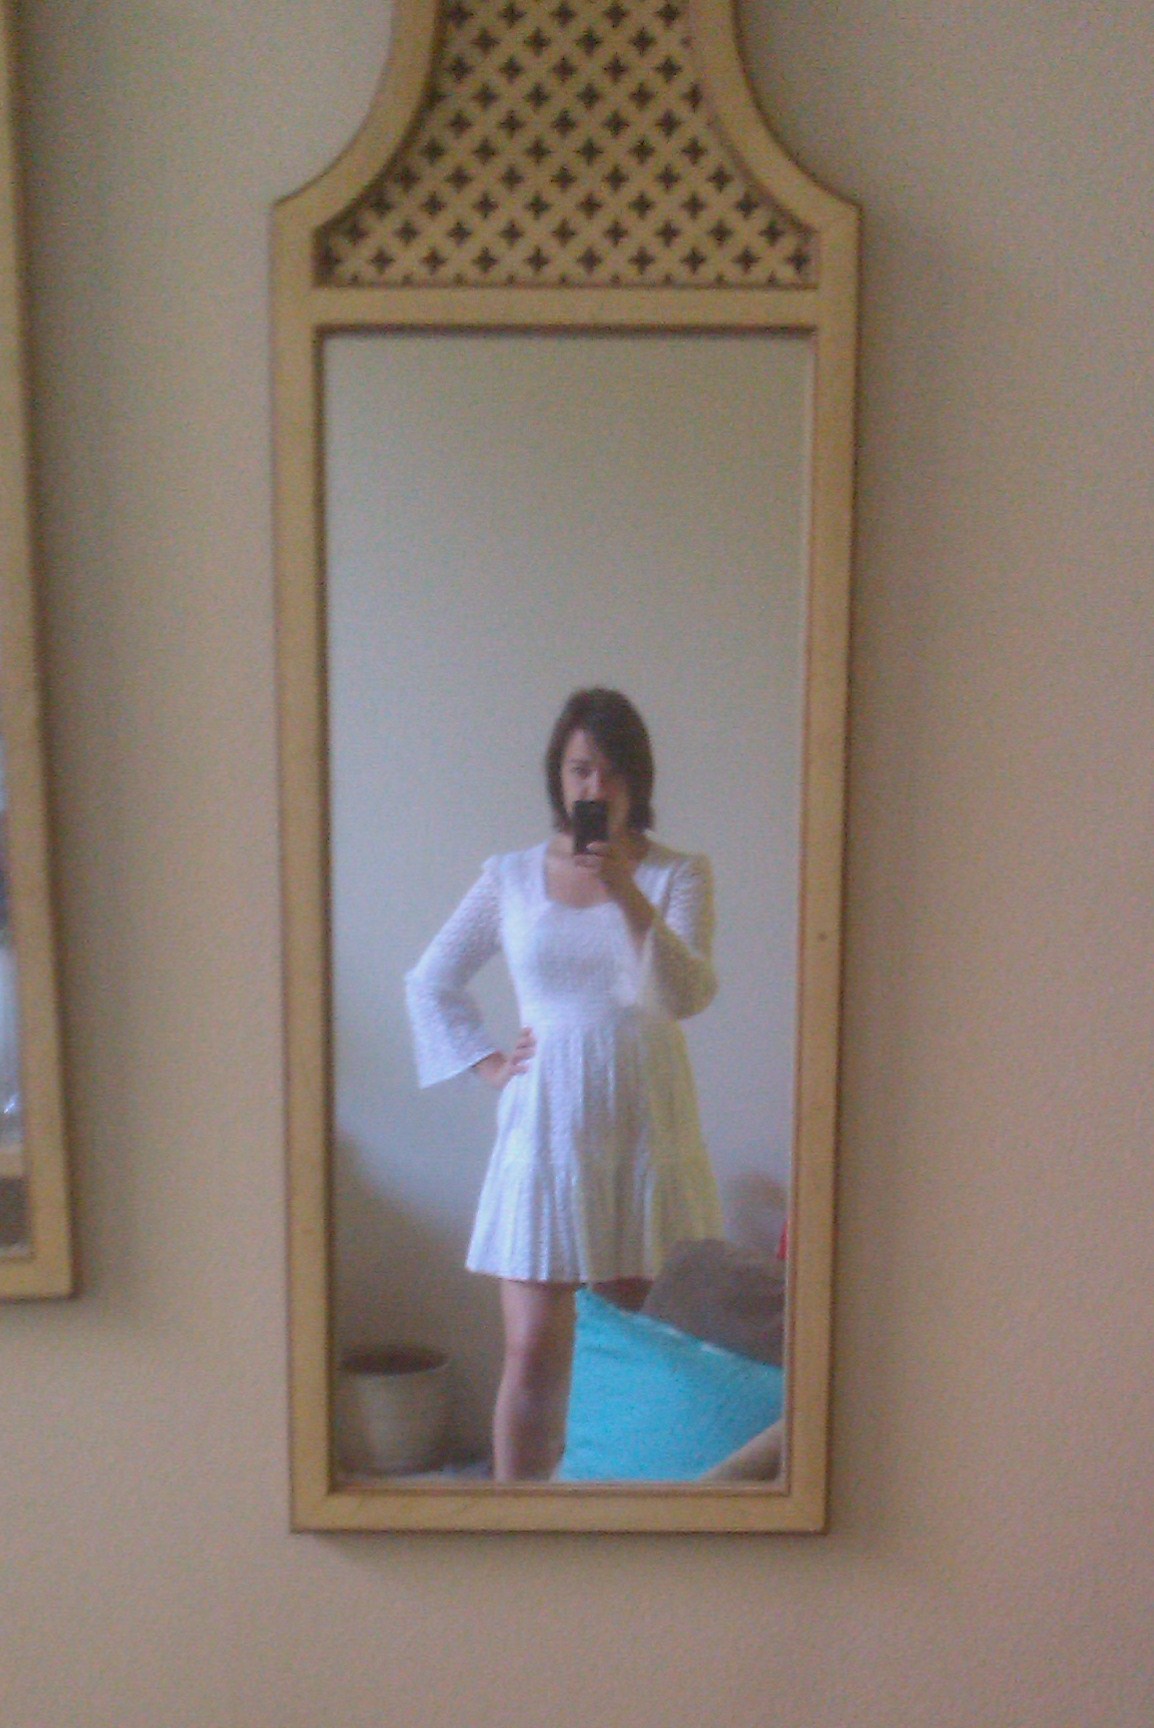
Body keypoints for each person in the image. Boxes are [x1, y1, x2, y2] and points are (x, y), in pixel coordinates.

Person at [405, 688, 722, 1480]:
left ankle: (617, 1509)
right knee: (531, 1348)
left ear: (637, 780)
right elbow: (430, 981)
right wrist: (488, 1064)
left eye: (612, 772)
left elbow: (684, 996)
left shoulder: (678, 874)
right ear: (559, 776)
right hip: (548, 1125)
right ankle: (516, 1522)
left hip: (643, 1122)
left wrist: (624, 889)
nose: (595, 788)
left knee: (634, 1346)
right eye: (581, 770)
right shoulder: (511, 878)